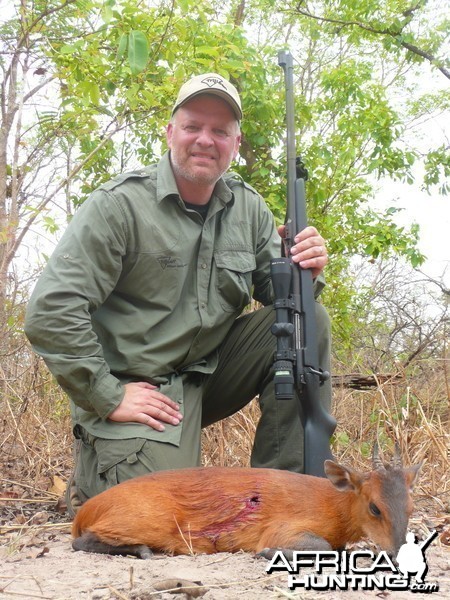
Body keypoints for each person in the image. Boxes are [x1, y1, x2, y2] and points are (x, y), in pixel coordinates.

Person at [24, 72, 332, 515]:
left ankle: (286, 502)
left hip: (211, 375)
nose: (205, 140)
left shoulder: (248, 207)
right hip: (142, 387)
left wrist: (306, 268)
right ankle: (94, 477)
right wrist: (108, 395)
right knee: (166, 516)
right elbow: (51, 310)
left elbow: (280, 296)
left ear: (236, 142)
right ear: (170, 132)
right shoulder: (118, 205)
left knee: (308, 319)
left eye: (220, 131)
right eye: (193, 127)